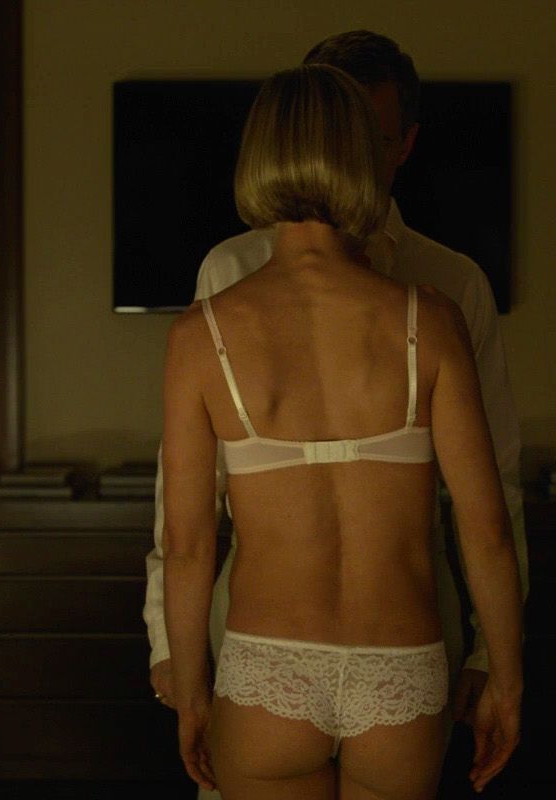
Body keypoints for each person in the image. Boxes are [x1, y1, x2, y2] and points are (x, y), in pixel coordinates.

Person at [143, 30, 531, 797]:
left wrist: (190, 693)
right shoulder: (432, 318)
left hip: (267, 666)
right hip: (403, 669)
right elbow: (486, 527)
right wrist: (508, 680)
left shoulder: (201, 335)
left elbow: (186, 544)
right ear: (366, 157)